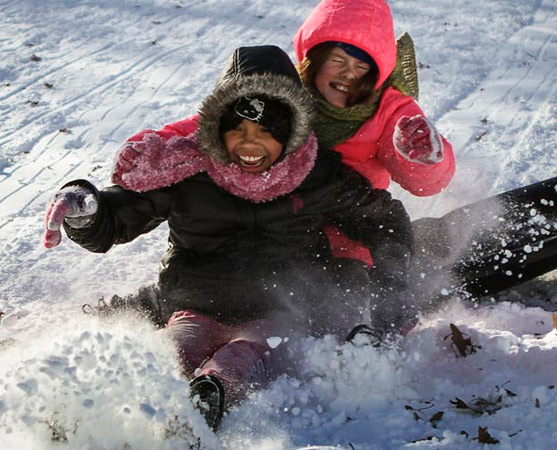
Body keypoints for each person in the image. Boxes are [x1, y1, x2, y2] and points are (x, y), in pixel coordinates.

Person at [42, 45, 414, 430]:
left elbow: (382, 220)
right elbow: (120, 216)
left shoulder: (316, 175)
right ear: (218, 129)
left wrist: (391, 277)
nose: (250, 144)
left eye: (266, 131)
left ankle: (210, 396)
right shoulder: (189, 171)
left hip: (275, 312)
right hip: (196, 304)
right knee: (172, 353)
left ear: (291, 132)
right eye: (238, 129)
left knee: (245, 354)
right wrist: (87, 210)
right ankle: (102, 409)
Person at [293, 0, 455, 265]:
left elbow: (424, 185)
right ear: (314, 60)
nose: (348, 74)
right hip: (285, 223)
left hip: (353, 232)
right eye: (337, 60)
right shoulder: (287, 91)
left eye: (361, 67)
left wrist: (421, 158)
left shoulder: (390, 111)